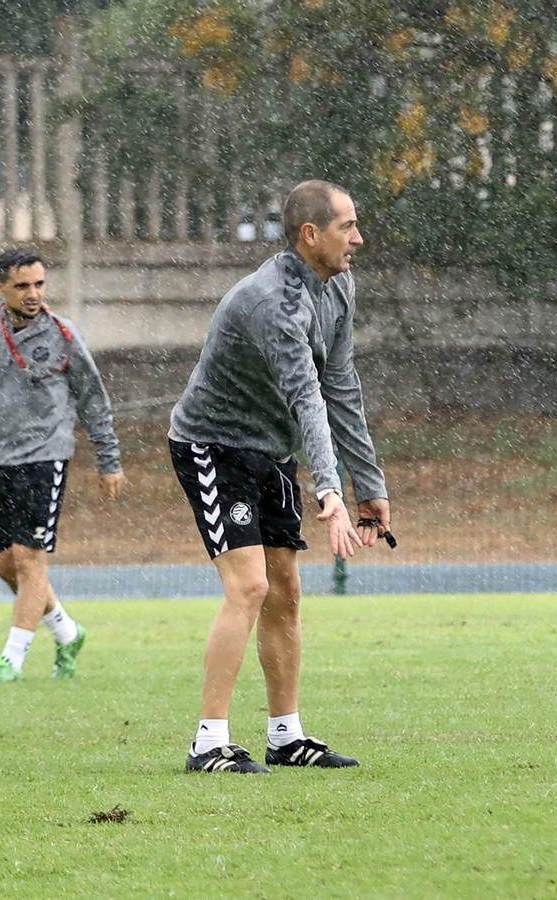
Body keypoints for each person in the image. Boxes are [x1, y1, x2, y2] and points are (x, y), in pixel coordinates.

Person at [168, 180, 390, 773]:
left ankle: (286, 737)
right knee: (248, 588)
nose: (359, 239)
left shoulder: (338, 286)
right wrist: (330, 490)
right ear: (310, 235)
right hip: (213, 447)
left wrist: (369, 487)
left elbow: (341, 386)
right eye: (348, 227)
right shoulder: (274, 303)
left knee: (286, 592)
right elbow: (305, 397)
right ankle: (208, 744)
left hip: (270, 451)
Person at [0, 248, 126, 683]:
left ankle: (13, 659)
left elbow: (93, 398)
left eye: (39, 284)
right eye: (23, 285)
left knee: (29, 559)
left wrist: (109, 459)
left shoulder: (63, 334)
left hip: (46, 456)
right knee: (6, 563)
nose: (33, 294)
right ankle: (67, 630)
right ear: (1, 287)